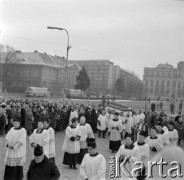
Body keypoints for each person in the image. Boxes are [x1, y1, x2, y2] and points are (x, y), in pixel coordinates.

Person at [4, 114, 27, 180]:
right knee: (10, 168)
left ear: (19, 123)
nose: (14, 125)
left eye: (16, 123)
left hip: (18, 152)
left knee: (16, 168)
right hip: (10, 152)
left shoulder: (23, 130)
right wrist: (8, 144)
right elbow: (7, 137)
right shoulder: (11, 129)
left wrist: (14, 146)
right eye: (14, 123)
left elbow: (21, 141)